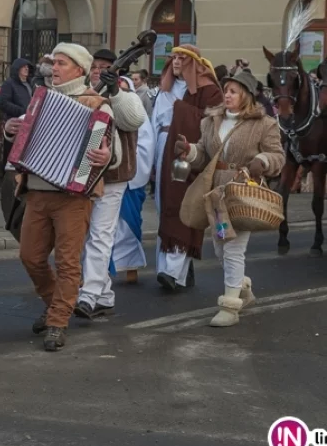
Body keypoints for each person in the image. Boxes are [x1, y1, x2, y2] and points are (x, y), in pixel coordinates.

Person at [3, 43, 114, 352]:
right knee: (30, 257)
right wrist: (10, 131)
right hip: (37, 190)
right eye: (53, 62)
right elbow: (22, 136)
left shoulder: (97, 104)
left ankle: (57, 322)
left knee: (67, 262)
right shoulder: (39, 99)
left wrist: (104, 155)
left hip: (73, 196)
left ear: (79, 69)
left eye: (62, 63)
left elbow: (109, 155)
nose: (54, 68)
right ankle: (56, 305)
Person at [174, 70, 284, 326]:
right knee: (221, 247)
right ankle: (242, 287)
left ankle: (230, 307)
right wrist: (189, 151)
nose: (227, 95)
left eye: (233, 91)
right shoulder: (210, 121)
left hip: (242, 193)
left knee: (233, 248)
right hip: (216, 196)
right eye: (226, 90)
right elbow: (204, 154)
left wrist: (262, 160)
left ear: (245, 95)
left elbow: (278, 156)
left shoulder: (263, 124)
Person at [74, 56, 148, 320]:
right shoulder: (84, 95)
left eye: (104, 68)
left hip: (114, 176)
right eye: (93, 68)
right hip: (84, 175)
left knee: (101, 234)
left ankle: (89, 294)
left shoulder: (126, 95)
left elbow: (133, 120)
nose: (97, 72)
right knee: (85, 236)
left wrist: (115, 91)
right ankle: (104, 295)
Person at [153, 45, 223, 292]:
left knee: (183, 205)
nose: (176, 62)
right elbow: (154, 123)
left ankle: (173, 271)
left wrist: (180, 111)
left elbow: (213, 122)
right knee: (165, 207)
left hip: (189, 151)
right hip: (163, 146)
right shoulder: (166, 89)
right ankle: (169, 270)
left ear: (194, 63)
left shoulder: (209, 90)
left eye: (182, 58)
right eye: (173, 57)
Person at [110, 76, 156, 284]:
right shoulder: (105, 110)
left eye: (125, 90)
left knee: (128, 227)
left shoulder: (139, 116)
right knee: (102, 230)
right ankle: (99, 273)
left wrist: (129, 164)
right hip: (109, 178)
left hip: (129, 179)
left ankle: (130, 268)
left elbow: (146, 146)